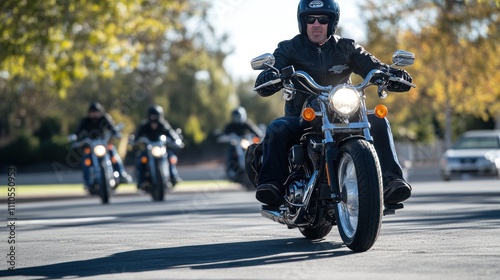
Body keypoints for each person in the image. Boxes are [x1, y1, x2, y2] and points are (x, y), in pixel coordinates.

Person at [253, 0, 413, 207]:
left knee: (379, 120)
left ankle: (391, 181)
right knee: (276, 128)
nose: (316, 24)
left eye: (323, 19)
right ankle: (271, 185)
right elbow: (276, 65)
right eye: (310, 19)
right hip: (303, 115)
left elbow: (372, 65)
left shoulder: (347, 47)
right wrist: (269, 75)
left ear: (332, 22)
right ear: (303, 23)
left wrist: (390, 74)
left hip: (344, 112)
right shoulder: (289, 48)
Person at [75, 102, 132, 188]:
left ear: (100, 112)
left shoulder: (104, 118)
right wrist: (75, 137)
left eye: (96, 112)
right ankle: (87, 182)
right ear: (89, 113)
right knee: (86, 160)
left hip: (104, 144)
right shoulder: (85, 121)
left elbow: (112, 128)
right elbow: (78, 131)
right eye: (92, 112)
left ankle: (122, 174)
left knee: (113, 154)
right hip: (91, 146)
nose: (94, 114)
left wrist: (115, 133)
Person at [133, 105, 184, 188]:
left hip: (162, 149)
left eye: (155, 116)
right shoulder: (144, 126)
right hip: (148, 150)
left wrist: (176, 141)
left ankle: (174, 177)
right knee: (140, 160)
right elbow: (137, 136)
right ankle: (141, 181)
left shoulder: (163, 125)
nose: (154, 120)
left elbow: (172, 134)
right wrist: (134, 140)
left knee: (171, 158)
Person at [219, 106, 265, 180]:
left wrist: (260, 135)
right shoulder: (231, 126)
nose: (238, 118)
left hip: (246, 142)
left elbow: (256, 131)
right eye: (236, 116)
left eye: (239, 116)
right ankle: (229, 171)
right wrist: (223, 137)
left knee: (256, 150)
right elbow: (224, 134)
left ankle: (260, 167)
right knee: (230, 152)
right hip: (235, 144)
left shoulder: (247, 124)